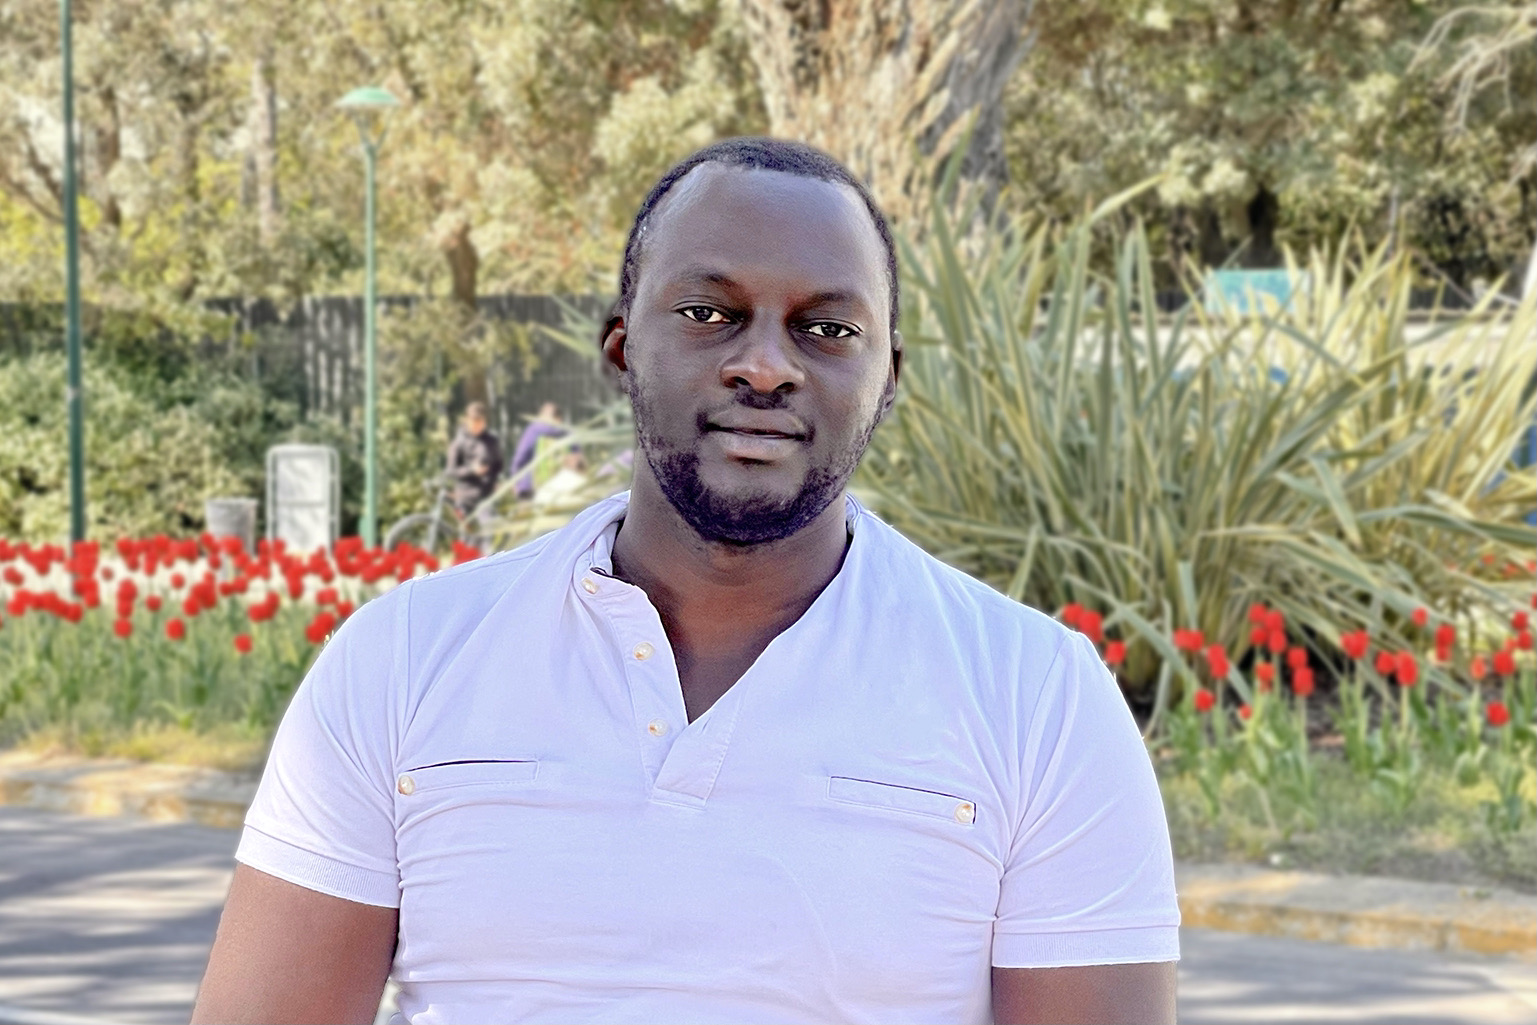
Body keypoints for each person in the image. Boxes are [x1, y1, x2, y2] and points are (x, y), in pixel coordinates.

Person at [192, 138, 1180, 1025]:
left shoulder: (1037, 696)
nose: (765, 366)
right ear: (622, 347)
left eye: (827, 329)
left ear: (888, 376)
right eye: (709, 314)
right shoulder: (404, 657)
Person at [444, 402, 503, 519]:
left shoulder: (491, 441)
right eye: (473, 421)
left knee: (489, 526)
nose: (476, 425)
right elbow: (451, 470)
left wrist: (496, 480)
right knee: (467, 529)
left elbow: (498, 464)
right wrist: (472, 470)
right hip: (465, 497)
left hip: (486, 496)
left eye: (479, 421)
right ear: (467, 420)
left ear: (484, 421)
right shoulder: (458, 442)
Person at [508, 401, 575, 499]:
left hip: (534, 490)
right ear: (559, 418)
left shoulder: (533, 430)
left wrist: (517, 484)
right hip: (563, 490)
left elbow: (520, 458)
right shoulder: (566, 433)